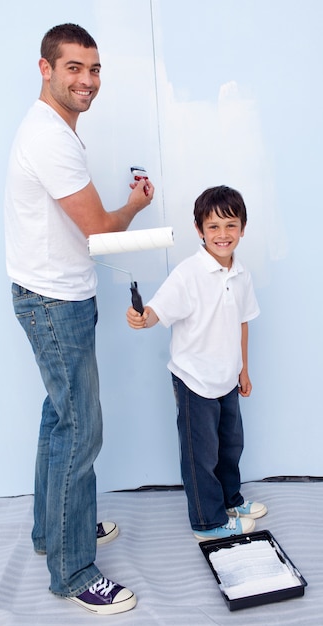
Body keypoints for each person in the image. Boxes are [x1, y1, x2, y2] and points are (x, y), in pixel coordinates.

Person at [4, 23, 154, 615]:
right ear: (46, 69)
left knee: (58, 417)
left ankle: (54, 532)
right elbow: (98, 230)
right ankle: (72, 572)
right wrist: (136, 207)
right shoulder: (50, 138)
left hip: (50, 295)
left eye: (93, 70)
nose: (87, 81)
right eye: (74, 68)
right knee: (80, 430)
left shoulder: (53, 130)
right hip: (54, 302)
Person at [127, 185, 267, 541]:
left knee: (231, 446)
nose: (223, 235)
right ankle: (207, 521)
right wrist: (144, 317)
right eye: (214, 227)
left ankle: (230, 499)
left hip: (227, 378)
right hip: (193, 381)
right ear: (199, 230)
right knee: (200, 455)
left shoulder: (242, 273)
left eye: (231, 226)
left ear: (243, 228)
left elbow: (242, 322)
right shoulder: (189, 273)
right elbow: (159, 309)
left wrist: (244, 369)